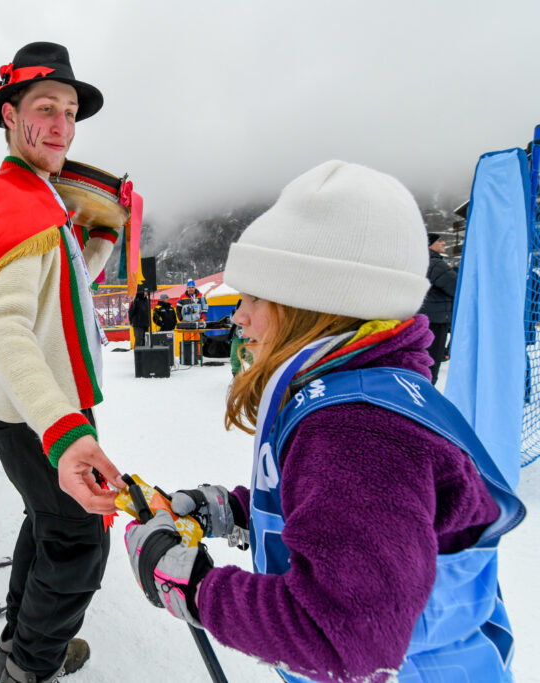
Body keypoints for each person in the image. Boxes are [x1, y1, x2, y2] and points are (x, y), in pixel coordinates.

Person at [122, 161, 523, 682]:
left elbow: (341, 637)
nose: (238, 316)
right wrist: (234, 511)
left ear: (312, 304)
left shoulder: (356, 428)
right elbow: (344, 513)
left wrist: (194, 589)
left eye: (254, 297)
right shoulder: (363, 390)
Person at [0, 42, 123, 683]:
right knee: (80, 539)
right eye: (45, 108)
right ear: (9, 115)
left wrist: (99, 240)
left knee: (49, 525)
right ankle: (30, 664)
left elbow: (61, 292)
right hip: (38, 411)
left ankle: (22, 644)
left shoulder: (33, 197)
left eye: (71, 112)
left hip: (34, 406)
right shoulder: (18, 201)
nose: (60, 125)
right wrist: (64, 428)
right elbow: (6, 329)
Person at [418, 232, 458, 385]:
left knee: (423, 359)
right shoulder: (436, 263)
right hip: (436, 320)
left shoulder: (422, 261)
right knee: (432, 361)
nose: (444, 244)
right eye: (440, 241)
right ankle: (428, 392)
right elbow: (455, 287)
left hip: (424, 317)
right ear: (430, 244)